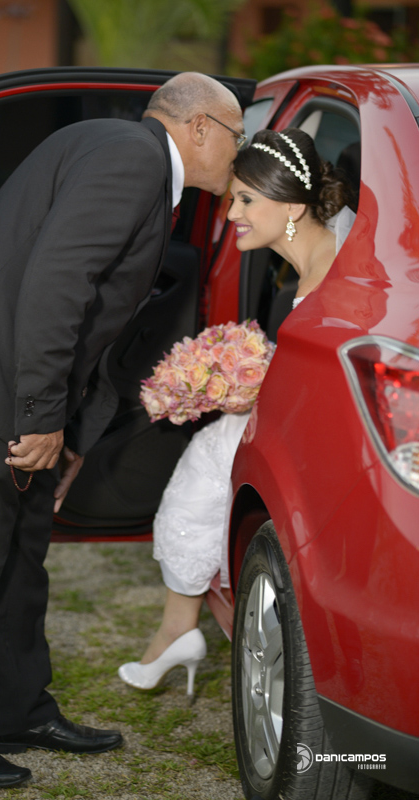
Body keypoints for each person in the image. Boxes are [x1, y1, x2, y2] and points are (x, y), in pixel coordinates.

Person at [0, 72, 244, 788]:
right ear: (201, 126)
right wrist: (41, 417)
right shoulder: (134, 161)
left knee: (20, 556)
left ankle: (16, 708)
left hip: (8, 369)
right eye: (239, 136)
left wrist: (70, 433)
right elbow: (58, 284)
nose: (240, 152)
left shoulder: (123, 149)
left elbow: (100, 313)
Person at [118, 127, 357, 697]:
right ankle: (178, 628)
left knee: (209, 458)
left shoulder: (332, 273)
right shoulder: (313, 261)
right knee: (212, 451)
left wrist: (248, 388)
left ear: (291, 207)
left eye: (247, 200)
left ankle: (178, 630)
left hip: (328, 442)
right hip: (302, 420)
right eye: (232, 199)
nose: (231, 214)